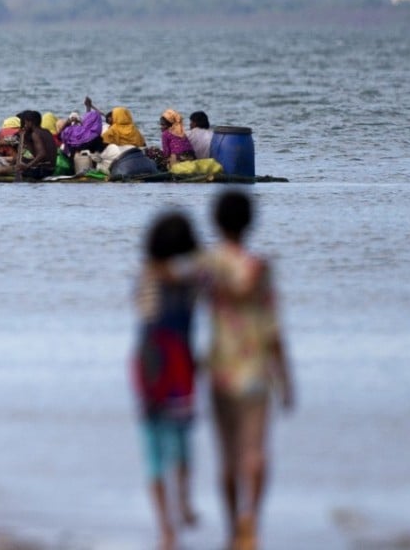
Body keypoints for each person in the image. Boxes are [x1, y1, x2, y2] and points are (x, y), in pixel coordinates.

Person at [201, 191, 294, 550]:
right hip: (256, 368)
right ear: (250, 223)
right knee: (255, 450)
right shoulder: (261, 269)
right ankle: (250, 520)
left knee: (227, 454)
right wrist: (286, 378)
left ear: (216, 222)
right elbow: (273, 328)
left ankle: (230, 529)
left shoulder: (210, 267)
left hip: (221, 368)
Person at [133, 211, 201, 550]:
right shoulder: (191, 284)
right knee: (180, 444)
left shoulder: (145, 280)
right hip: (182, 366)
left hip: (150, 365)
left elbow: (145, 322)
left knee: (153, 450)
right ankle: (184, 504)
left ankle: (165, 528)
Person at [17, 110, 57, 179]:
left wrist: (27, 166)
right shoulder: (47, 131)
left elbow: (42, 154)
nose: (25, 124)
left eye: (26, 122)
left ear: (30, 122)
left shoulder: (35, 134)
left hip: (41, 171)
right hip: (51, 169)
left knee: (15, 169)